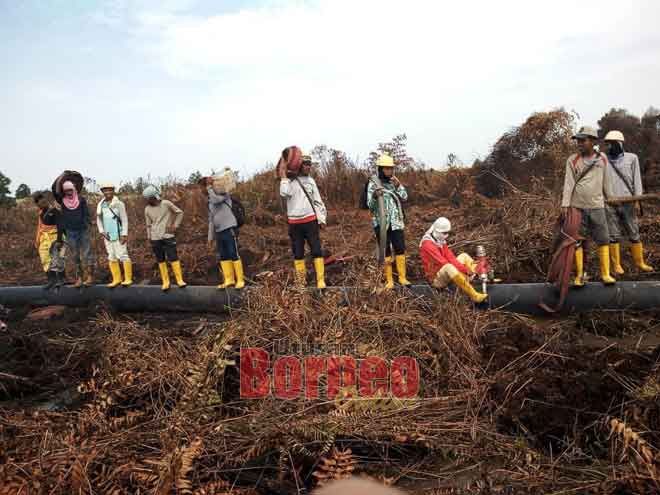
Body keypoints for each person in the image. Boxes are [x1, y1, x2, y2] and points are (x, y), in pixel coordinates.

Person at [561, 126, 614, 286]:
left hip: (597, 206)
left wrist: (610, 198)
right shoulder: (572, 160)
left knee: (603, 239)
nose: (579, 143)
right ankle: (579, 275)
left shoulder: (602, 159)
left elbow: (607, 181)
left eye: (583, 140)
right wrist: (565, 204)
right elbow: (568, 183)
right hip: (577, 207)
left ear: (592, 141)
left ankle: (606, 274)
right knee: (577, 240)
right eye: (578, 140)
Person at [603, 130, 653, 274]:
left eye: (612, 143)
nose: (610, 146)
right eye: (608, 144)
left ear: (619, 143)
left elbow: (637, 180)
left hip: (628, 202)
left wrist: (637, 200)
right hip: (610, 203)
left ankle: (640, 262)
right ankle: (616, 265)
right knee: (613, 234)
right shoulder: (603, 160)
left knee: (634, 232)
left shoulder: (632, 158)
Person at [279, 154, 328, 289]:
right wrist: (283, 175)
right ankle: (301, 283)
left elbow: (318, 201)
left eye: (309, 165)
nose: (308, 167)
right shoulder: (289, 181)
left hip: (310, 221)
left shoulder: (311, 181)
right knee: (298, 253)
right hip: (294, 223)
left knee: (317, 250)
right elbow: (284, 193)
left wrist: (321, 218)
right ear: (298, 165)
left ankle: (320, 281)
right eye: (305, 164)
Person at [367, 153, 410, 289]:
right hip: (381, 223)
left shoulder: (393, 183)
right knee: (385, 250)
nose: (389, 171)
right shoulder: (373, 184)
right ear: (380, 169)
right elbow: (369, 205)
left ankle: (402, 278)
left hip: (396, 222)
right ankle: (389, 281)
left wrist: (399, 186)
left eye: (391, 168)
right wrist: (374, 196)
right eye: (386, 169)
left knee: (400, 248)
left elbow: (404, 197)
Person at [419, 217, 487, 303]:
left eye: (447, 233)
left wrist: (466, 270)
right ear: (437, 231)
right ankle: (474, 295)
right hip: (436, 279)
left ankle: (475, 275)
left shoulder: (439, 240)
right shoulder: (427, 245)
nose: (446, 235)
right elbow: (443, 263)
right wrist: (463, 272)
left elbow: (451, 258)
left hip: (445, 271)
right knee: (448, 267)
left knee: (464, 256)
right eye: (444, 233)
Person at [143, 185, 186, 291]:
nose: (148, 200)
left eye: (149, 198)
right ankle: (165, 282)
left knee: (173, 257)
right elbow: (148, 225)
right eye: (147, 199)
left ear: (155, 196)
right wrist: (149, 237)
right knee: (160, 259)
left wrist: (175, 225)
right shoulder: (147, 209)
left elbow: (179, 212)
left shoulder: (166, 204)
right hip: (155, 237)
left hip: (168, 236)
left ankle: (179, 280)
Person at [207, 173, 246, 289]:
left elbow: (215, 200)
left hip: (229, 228)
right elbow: (211, 220)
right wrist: (210, 238)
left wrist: (209, 187)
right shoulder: (209, 202)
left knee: (233, 253)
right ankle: (229, 280)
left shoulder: (224, 195)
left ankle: (240, 280)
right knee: (223, 255)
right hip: (219, 232)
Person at [54, 180, 94, 287]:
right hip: (70, 232)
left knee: (87, 254)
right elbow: (61, 220)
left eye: (70, 190)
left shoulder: (81, 200)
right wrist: (60, 237)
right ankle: (79, 278)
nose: (69, 192)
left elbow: (86, 214)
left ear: (74, 189)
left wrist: (87, 225)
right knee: (75, 256)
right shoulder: (62, 202)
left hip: (83, 230)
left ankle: (90, 277)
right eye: (66, 190)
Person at [96, 183, 132, 288]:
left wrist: (124, 234)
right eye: (105, 190)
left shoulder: (119, 204)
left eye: (110, 190)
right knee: (111, 256)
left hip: (119, 233)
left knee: (123, 255)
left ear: (113, 191)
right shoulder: (100, 205)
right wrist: (102, 232)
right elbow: (99, 220)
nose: (107, 192)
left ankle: (128, 279)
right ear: (102, 192)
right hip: (107, 235)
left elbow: (124, 219)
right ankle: (117, 279)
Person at [32, 191, 66, 288]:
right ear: (37, 204)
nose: (42, 203)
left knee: (59, 258)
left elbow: (61, 226)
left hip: (57, 237)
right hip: (45, 239)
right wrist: (37, 241)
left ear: (46, 201)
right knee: (45, 259)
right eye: (38, 202)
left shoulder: (55, 211)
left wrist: (60, 241)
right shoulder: (40, 214)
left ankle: (62, 279)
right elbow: (40, 228)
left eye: (43, 201)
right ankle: (51, 280)